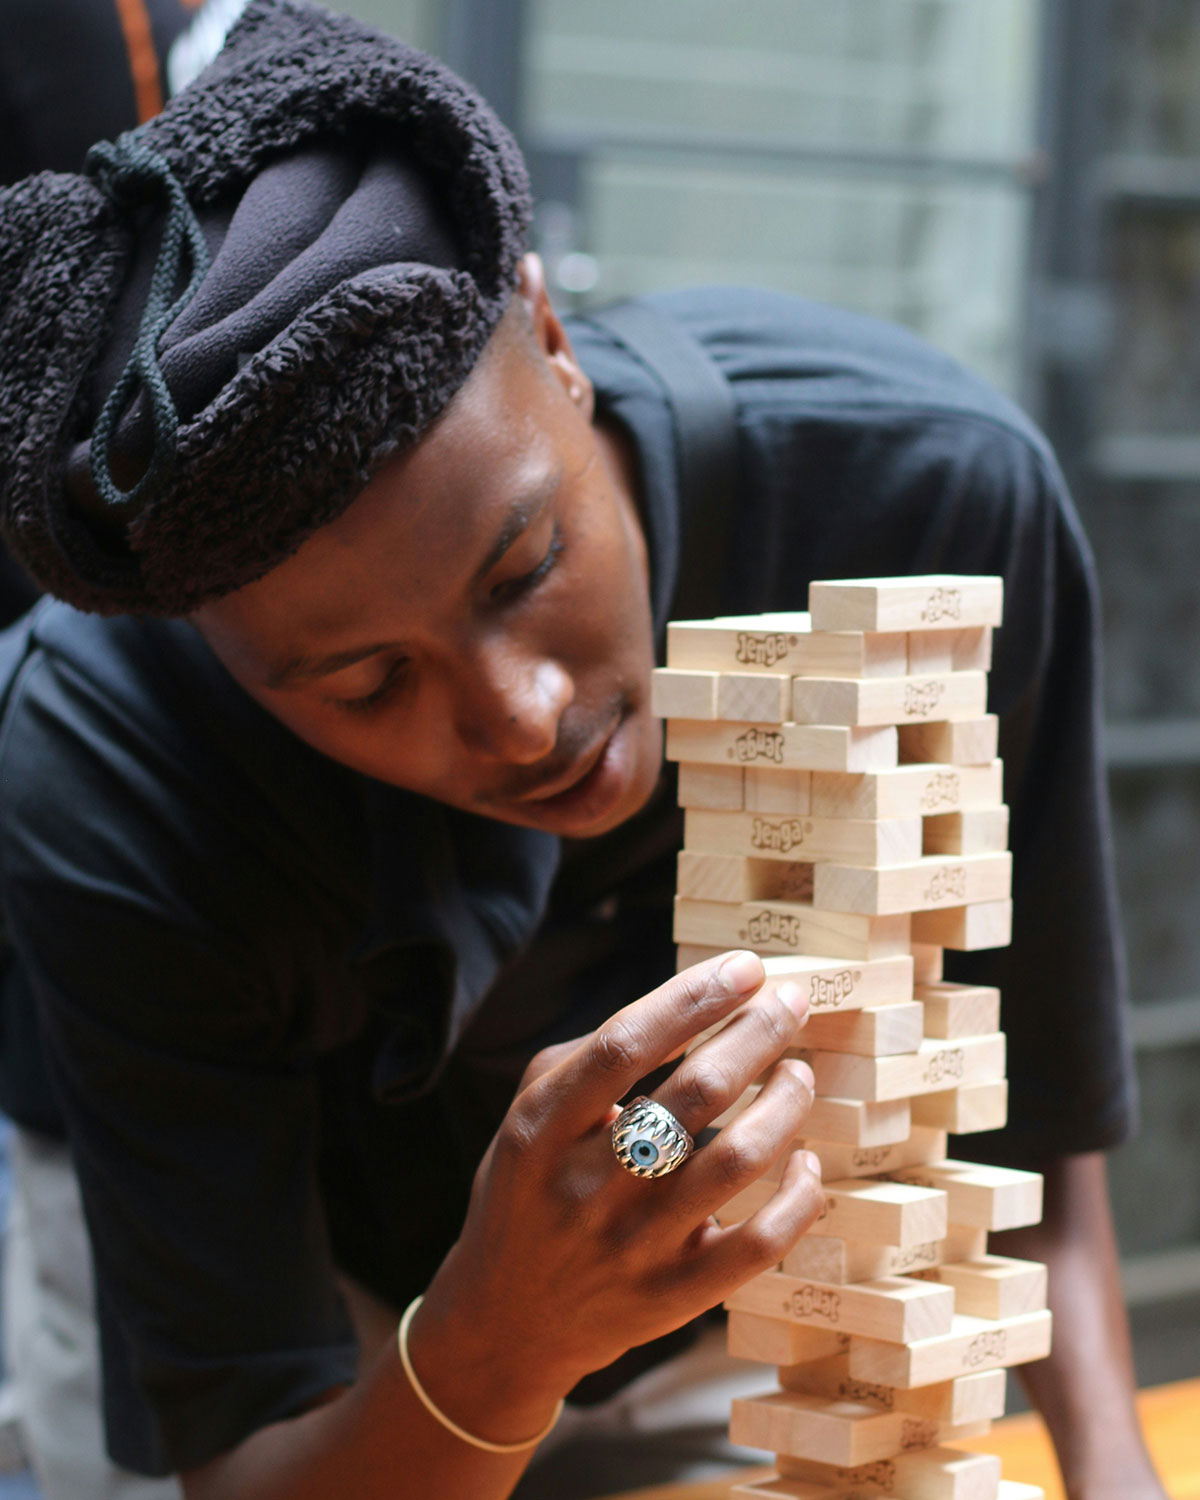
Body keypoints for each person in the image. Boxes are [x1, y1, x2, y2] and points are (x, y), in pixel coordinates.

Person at [0, 3, 1168, 1498]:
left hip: (710, 1250)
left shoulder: (920, 496)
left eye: (524, 568)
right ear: (213, 654)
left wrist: (1114, 1471)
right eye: (367, 683)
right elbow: (242, 1447)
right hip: (314, 1324)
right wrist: (497, 1340)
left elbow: (1017, 1113)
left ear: (552, 342)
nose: (523, 716)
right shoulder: (112, 754)